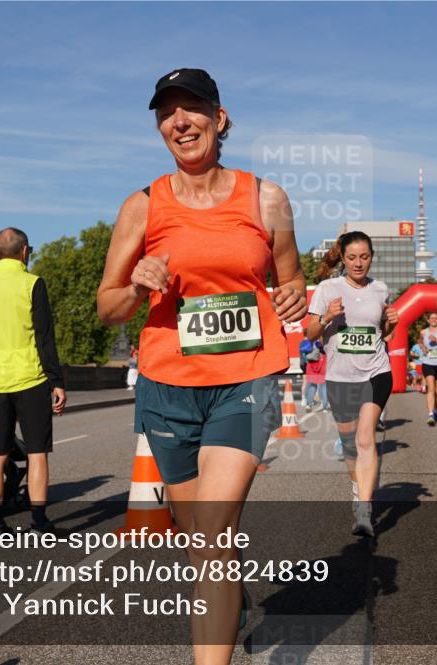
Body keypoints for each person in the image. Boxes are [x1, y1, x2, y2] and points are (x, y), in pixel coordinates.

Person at [95, 68, 307, 665]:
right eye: (167, 113)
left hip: (246, 379)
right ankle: (229, 603)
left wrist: (293, 294)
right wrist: (136, 286)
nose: (179, 122)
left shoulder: (266, 198)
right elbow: (108, 307)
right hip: (167, 388)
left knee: (212, 530)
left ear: (219, 117)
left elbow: (289, 276)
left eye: (191, 109)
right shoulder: (141, 205)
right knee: (201, 541)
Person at [0, 228, 67, 535]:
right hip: (31, 378)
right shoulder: (32, 284)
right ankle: (39, 522)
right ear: (24, 250)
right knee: (37, 452)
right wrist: (57, 381)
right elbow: (44, 337)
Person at [305, 232, 398, 537]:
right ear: (343, 259)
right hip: (340, 377)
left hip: (375, 371)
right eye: (352, 258)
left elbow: (384, 335)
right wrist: (328, 316)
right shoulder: (327, 288)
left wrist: (390, 323)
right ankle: (358, 490)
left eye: (365, 257)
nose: (359, 263)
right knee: (349, 446)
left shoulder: (380, 289)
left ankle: (364, 509)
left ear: (372, 257)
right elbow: (310, 333)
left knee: (365, 438)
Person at [303, 342, 329, 412]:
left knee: (312, 386)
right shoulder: (324, 340)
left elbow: (305, 354)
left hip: (311, 368)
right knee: (324, 387)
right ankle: (325, 407)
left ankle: (308, 404)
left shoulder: (310, 342)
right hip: (322, 367)